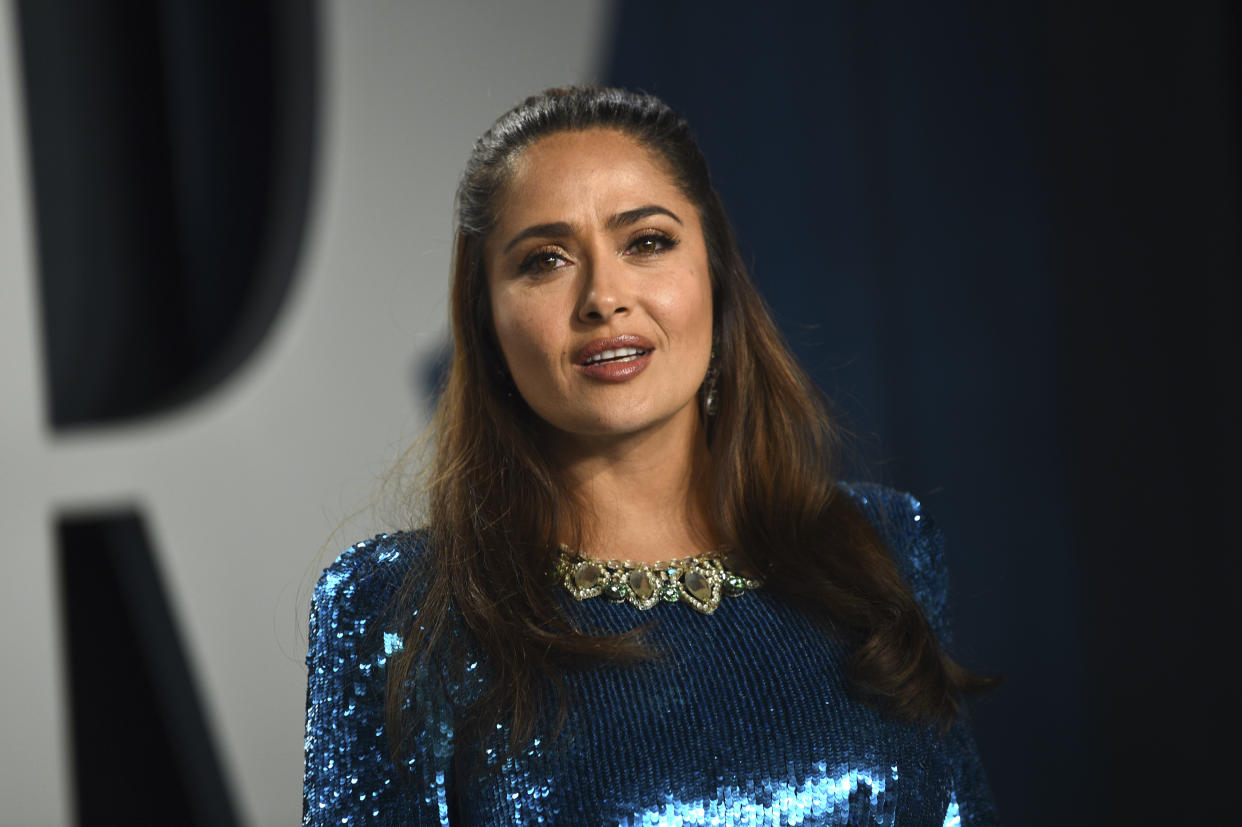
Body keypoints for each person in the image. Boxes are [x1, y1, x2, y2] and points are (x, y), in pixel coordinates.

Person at [302, 86, 999, 826]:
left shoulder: (877, 542)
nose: (604, 296)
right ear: (486, 321)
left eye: (647, 242)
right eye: (546, 259)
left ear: (716, 274)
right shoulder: (401, 605)